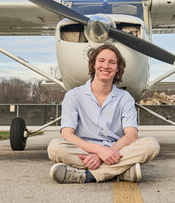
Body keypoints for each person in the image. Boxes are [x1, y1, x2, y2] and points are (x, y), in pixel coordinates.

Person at [47, 43, 160, 183]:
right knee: (55, 148)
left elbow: (131, 135)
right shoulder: (73, 96)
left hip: (116, 150)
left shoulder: (125, 98)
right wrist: (98, 151)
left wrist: (102, 155)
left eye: (112, 62)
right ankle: (120, 172)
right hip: (84, 150)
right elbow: (67, 134)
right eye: (101, 61)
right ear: (93, 65)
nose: (106, 66)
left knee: (151, 145)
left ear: (118, 68)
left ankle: (87, 175)